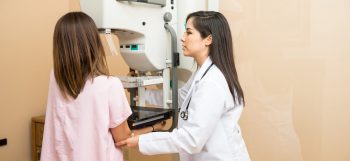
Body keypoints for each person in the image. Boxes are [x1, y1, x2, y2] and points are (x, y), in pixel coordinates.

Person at [116, 11, 251, 161]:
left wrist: (141, 141)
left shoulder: (212, 82)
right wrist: (141, 90)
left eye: (189, 32)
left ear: (208, 39)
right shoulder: (203, 72)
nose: (182, 38)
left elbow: (192, 139)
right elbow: (180, 97)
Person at [40, 11, 164, 161]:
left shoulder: (55, 77)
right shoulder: (110, 86)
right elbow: (123, 138)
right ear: (93, 42)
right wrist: (153, 128)